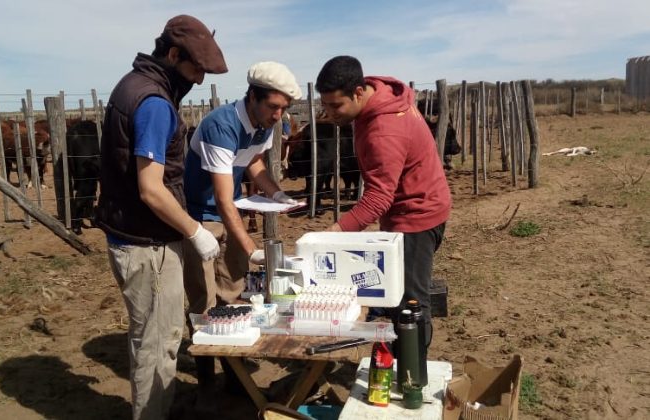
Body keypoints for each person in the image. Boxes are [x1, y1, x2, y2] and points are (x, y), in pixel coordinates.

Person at [95, 15, 226, 420]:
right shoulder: (154, 103)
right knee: (157, 344)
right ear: (172, 55)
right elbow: (151, 188)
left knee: (151, 337)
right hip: (147, 246)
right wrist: (195, 231)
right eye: (196, 68)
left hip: (132, 235)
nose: (200, 80)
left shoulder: (133, 85)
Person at [182, 61, 302, 400]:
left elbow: (254, 163)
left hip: (231, 211)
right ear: (253, 97)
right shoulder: (221, 126)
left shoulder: (263, 124)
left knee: (233, 292)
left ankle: (234, 369)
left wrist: (275, 193)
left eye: (284, 109)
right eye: (274, 107)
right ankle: (206, 375)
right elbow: (221, 199)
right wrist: (251, 249)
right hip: (200, 217)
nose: (279, 116)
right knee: (204, 300)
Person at [315, 55, 451, 353]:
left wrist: (336, 233)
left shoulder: (383, 130)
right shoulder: (380, 96)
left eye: (336, 106)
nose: (329, 114)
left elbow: (378, 197)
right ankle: (399, 359)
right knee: (394, 292)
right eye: (325, 105)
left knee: (410, 303)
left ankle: (413, 375)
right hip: (410, 206)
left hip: (417, 215)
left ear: (359, 92)